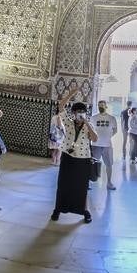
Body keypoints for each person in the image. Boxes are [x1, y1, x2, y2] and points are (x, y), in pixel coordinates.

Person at [52, 88, 98, 224]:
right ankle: (57, 209)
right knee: (63, 184)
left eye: (83, 112)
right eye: (78, 112)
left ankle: (85, 211)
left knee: (81, 186)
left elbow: (95, 139)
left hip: (83, 159)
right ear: (73, 113)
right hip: (67, 157)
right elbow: (61, 106)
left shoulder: (88, 125)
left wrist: (87, 123)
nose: (80, 114)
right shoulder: (67, 122)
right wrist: (71, 93)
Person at [90, 99, 117, 190]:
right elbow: (90, 130)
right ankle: (89, 182)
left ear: (106, 106)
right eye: (99, 105)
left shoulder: (111, 118)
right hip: (95, 144)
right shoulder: (93, 118)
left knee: (109, 164)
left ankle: (109, 182)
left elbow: (115, 130)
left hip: (107, 145)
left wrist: (108, 137)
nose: (101, 107)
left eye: (102, 105)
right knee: (92, 163)